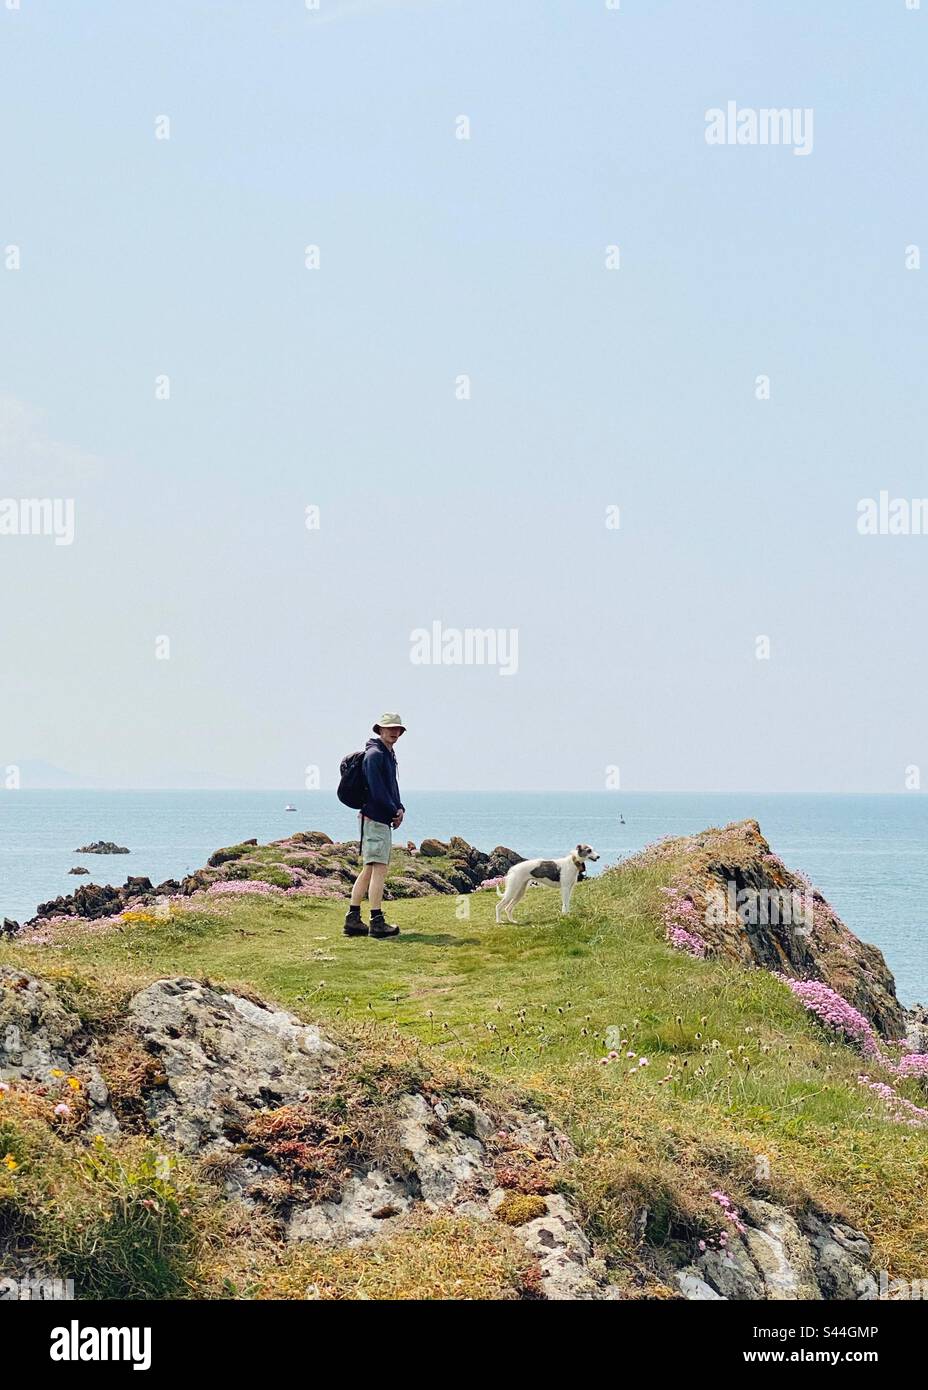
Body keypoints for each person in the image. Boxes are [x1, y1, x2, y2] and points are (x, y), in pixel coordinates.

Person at [344, 713, 406, 938]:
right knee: (379, 869)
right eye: (389, 728)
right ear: (379, 730)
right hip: (375, 819)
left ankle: (353, 920)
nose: (394, 732)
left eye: (397, 729)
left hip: (377, 818)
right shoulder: (375, 755)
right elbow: (377, 790)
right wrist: (393, 811)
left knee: (370, 869)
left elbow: (391, 787)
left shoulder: (386, 754)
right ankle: (376, 922)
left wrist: (400, 808)